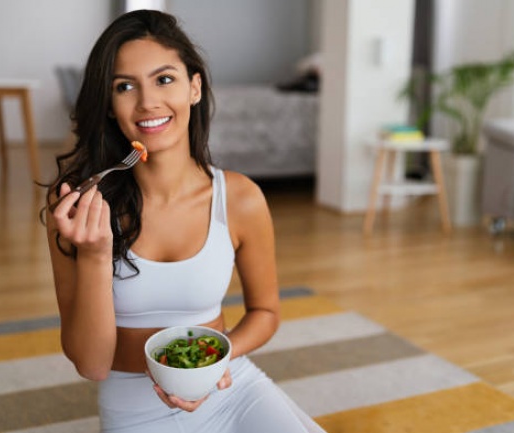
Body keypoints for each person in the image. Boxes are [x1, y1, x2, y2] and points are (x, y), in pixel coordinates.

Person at [43, 9, 326, 433]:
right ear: (108, 105)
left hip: (231, 388)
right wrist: (96, 255)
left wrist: (220, 363)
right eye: (125, 86)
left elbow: (265, 311)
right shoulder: (80, 208)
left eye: (164, 79)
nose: (148, 102)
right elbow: (92, 363)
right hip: (133, 408)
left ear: (194, 87)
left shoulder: (241, 198)